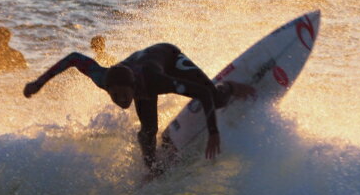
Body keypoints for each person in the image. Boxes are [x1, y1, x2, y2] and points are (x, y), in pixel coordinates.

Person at [23, 43, 255, 171]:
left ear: (132, 88)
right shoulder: (104, 78)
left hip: (168, 58)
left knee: (214, 97)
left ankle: (231, 87)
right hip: (138, 73)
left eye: (124, 96)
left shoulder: (156, 82)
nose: (121, 101)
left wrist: (213, 131)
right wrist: (38, 83)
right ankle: (153, 169)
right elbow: (73, 58)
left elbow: (202, 93)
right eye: (115, 96)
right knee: (147, 132)